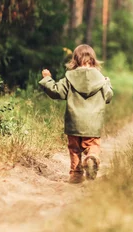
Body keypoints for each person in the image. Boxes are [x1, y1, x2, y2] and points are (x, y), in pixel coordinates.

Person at [39, 44, 113, 184]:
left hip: (74, 122)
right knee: (92, 146)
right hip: (93, 123)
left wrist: (47, 79)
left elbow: (57, 92)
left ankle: (76, 175)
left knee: (74, 148)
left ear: (75, 60)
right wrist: (107, 83)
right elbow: (108, 97)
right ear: (93, 60)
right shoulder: (101, 79)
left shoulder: (69, 77)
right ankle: (91, 158)